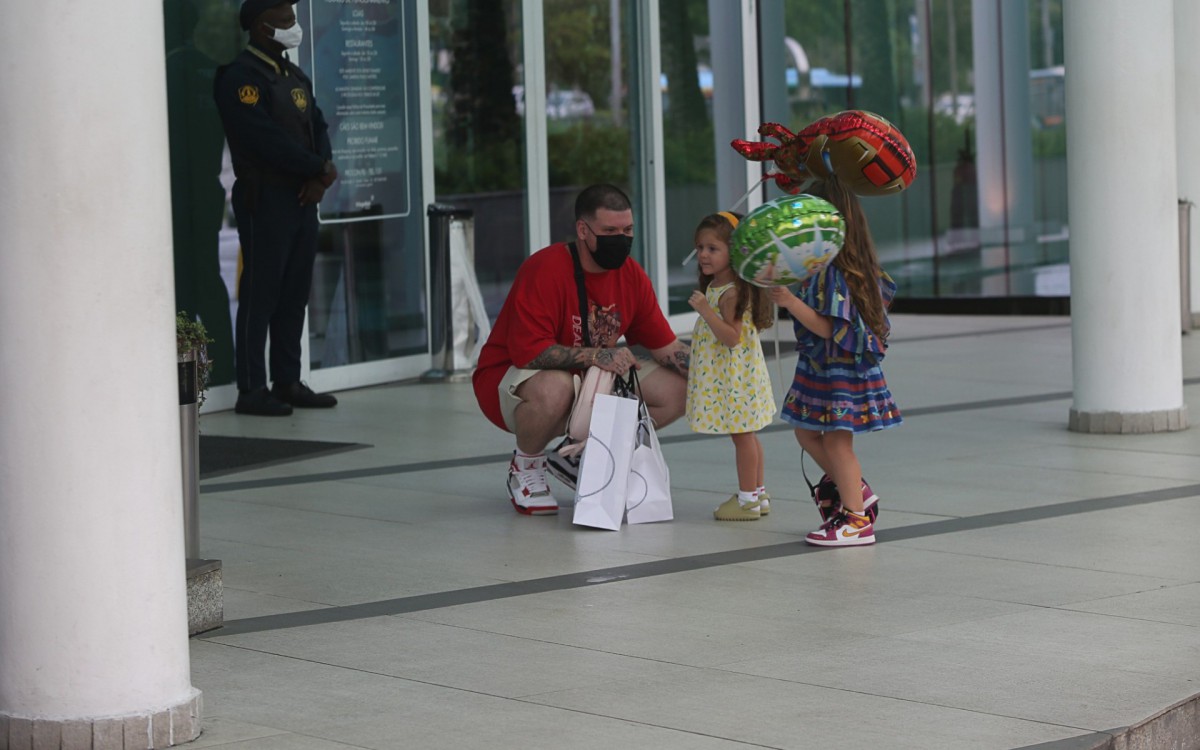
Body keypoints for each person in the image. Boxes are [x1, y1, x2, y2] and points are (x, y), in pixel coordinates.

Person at [473, 184, 691, 516]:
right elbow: (528, 353)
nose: (621, 238)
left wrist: (713, 374)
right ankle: (526, 469)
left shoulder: (631, 275)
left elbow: (666, 347)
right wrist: (596, 356)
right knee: (555, 386)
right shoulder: (544, 269)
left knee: (679, 390)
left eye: (628, 230)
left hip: (590, 382)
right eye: (610, 231)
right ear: (583, 230)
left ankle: (580, 458)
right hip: (510, 382)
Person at [213, 0, 339, 416]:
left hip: (304, 197)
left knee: (293, 294)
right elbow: (263, 139)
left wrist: (320, 175)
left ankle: (287, 381)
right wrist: (315, 168)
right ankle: (251, 389)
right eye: (285, 21)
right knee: (260, 295)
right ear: (262, 28)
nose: (293, 26)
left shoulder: (293, 74)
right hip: (265, 199)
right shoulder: (240, 78)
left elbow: (316, 125)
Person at [769, 175, 902, 546]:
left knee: (838, 444)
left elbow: (831, 329)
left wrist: (790, 302)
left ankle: (857, 519)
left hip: (841, 369)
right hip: (827, 368)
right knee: (807, 432)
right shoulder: (832, 266)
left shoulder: (836, 272)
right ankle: (856, 491)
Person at [684, 212, 777, 521]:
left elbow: (731, 337)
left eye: (713, 248)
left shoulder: (730, 292)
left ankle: (748, 499)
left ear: (734, 252)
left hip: (735, 379)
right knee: (746, 435)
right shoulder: (722, 285)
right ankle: (758, 493)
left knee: (743, 437)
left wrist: (704, 311)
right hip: (736, 377)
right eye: (700, 247)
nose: (704, 255)